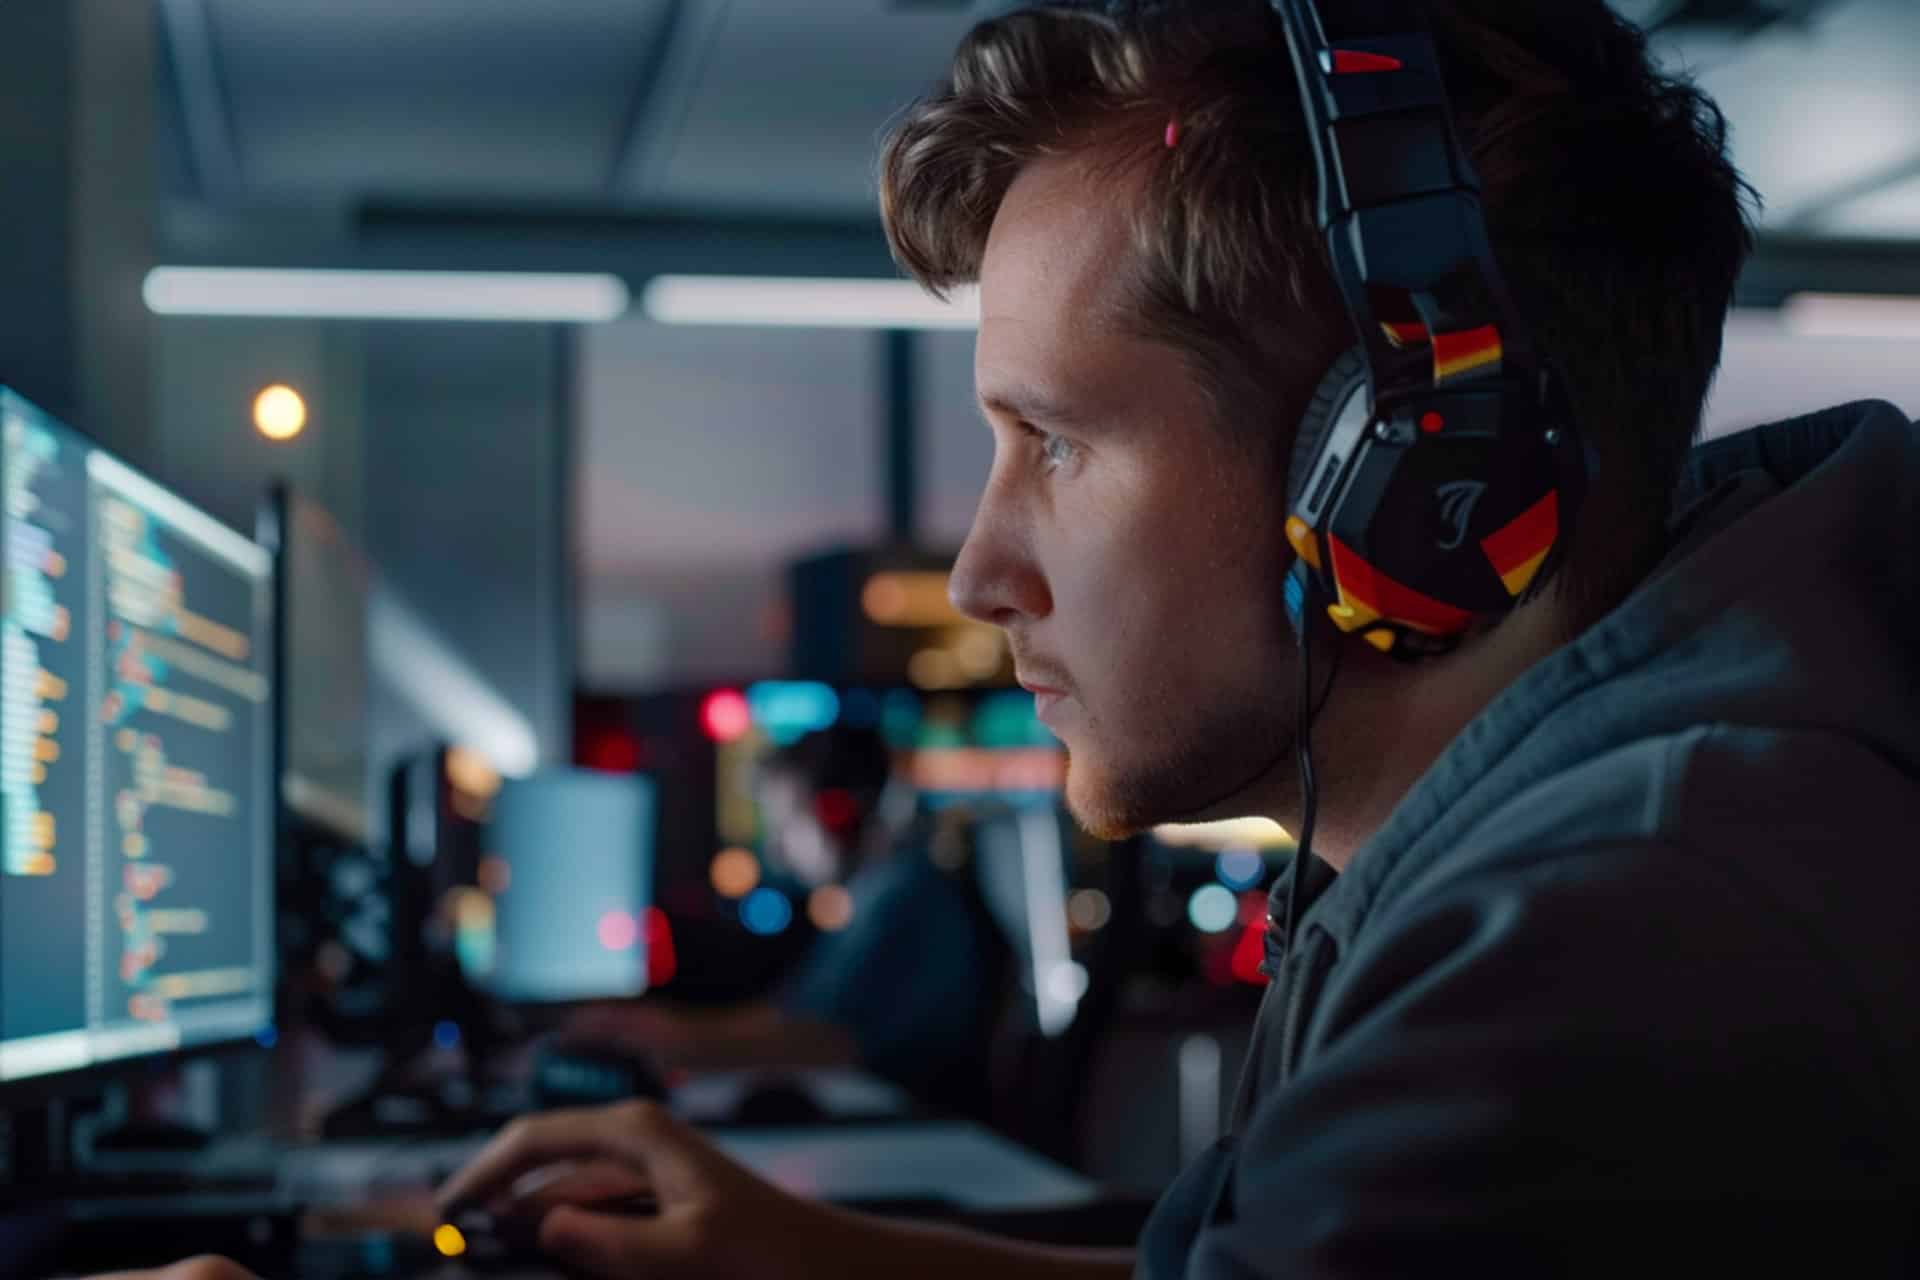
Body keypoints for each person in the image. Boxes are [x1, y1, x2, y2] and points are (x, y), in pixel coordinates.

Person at [102, 0, 1919, 1276]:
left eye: (1053, 442)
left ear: (1413, 472)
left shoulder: (1607, 962)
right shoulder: (1602, 817)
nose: (979, 571)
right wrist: (818, 1260)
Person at [560, 724, 999, 1109]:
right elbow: (794, 1014)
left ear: (837, 812)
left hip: (919, 1126)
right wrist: (661, 1025)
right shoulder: (881, 893)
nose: (777, 849)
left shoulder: (902, 900)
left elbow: (824, 1042)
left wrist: (668, 1042)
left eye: (787, 824)